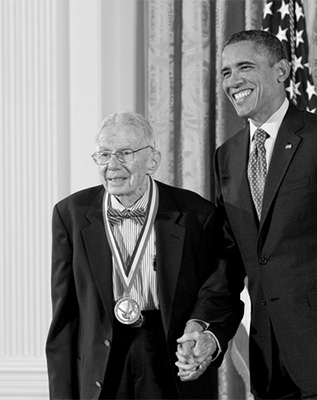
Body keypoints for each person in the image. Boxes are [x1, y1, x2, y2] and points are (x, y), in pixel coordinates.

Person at [177, 30, 317, 400]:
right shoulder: (227, 155)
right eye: (226, 72)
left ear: (281, 71)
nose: (233, 81)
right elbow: (231, 258)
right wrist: (207, 329)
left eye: (245, 67)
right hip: (269, 362)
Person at [45, 111, 243, 399]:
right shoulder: (70, 214)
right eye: (103, 155)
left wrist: (201, 330)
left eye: (125, 153)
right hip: (101, 359)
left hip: (168, 353)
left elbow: (219, 288)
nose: (112, 166)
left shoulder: (196, 215)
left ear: (153, 160)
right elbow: (64, 318)